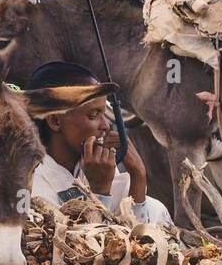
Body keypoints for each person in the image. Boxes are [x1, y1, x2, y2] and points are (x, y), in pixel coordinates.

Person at [25, 60, 173, 225]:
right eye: (93, 114)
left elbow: (137, 235)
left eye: (104, 112)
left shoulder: (93, 166)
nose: (105, 125)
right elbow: (88, 247)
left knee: (154, 208)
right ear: (55, 121)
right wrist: (99, 191)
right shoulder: (28, 183)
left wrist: (138, 176)